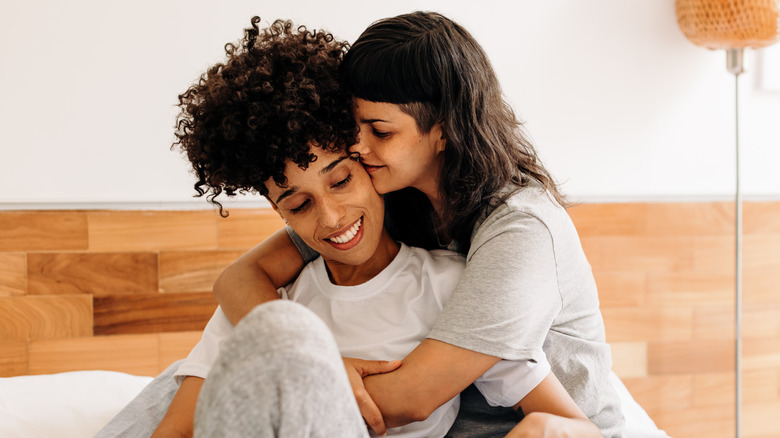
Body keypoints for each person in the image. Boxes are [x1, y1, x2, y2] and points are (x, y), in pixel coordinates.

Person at [95, 16, 600, 438]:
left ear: (444, 129)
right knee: (224, 360)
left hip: (542, 427)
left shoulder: (516, 234)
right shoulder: (388, 196)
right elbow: (238, 279)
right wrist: (296, 354)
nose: (359, 147)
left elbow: (414, 397)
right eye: (354, 131)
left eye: (379, 132)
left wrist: (300, 380)